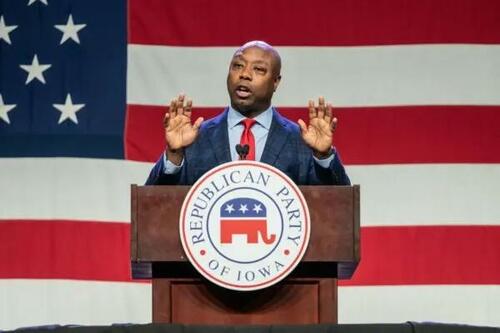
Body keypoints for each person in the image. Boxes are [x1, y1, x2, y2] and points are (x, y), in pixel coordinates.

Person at [146, 40, 350, 186]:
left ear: (276, 82)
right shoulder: (194, 138)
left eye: (259, 69)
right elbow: (154, 205)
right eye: (238, 66)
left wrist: (323, 156)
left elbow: (337, 206)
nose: (244, 74)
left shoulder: (302, 141)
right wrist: (173, 155)